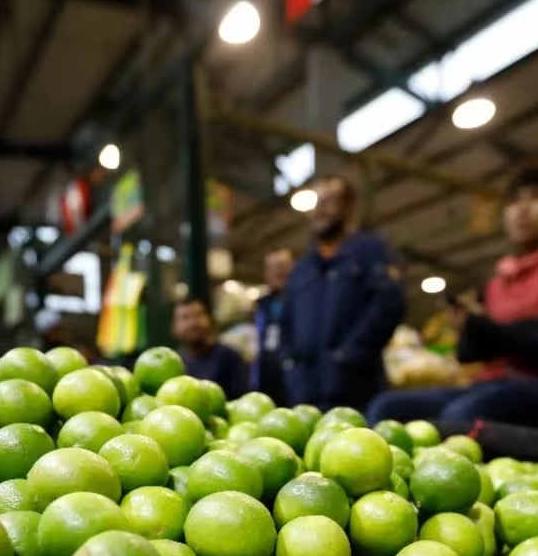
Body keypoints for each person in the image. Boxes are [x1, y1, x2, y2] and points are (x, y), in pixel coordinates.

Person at [366, 164, 538, 429]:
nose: (522, 210)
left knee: (463, 415)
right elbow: (468, 355)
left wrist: (489, 329)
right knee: (387, 407)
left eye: (537, 197)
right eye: (514, 201)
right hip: (489, 385)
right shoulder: (495, 283)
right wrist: (468, 328)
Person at [282, 176, 405, 411]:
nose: (320, 210)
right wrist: (290, 364)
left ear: (349, 206)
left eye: (328, 202)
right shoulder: (303, 268)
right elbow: (287, 321)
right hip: (305, 393)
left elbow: (388, 305)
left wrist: (348, 356)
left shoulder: (371, 252)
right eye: (316, 203)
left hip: (356, 390)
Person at [173, 297, 246, 399]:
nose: (193, 323)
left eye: (198, 315)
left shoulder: (230, 358)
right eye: (185, 317)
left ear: (210, 320)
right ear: (174, 327)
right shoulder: (174, 363)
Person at [252, 248, 294, 404]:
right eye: (273, 268)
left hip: (292, 371)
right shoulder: (262, 304)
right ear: (266, 273)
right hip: (266, 369)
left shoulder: (301, 301)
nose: (278, 272)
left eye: (282, 267)